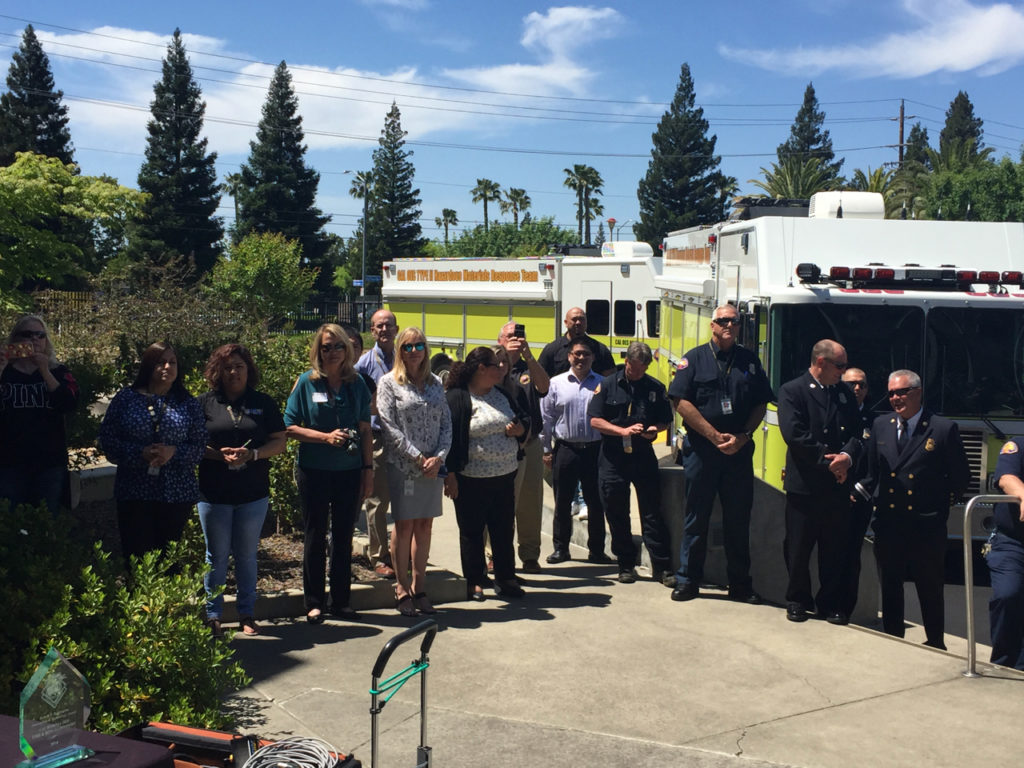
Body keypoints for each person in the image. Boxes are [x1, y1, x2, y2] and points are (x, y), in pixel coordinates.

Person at [854, 370, 969, 650]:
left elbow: (961, 478)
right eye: (891, 393)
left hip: (925, 525)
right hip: (890, 523)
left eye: (902, 392)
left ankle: (935, 642)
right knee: (891, 585)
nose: (895, 398)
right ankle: (894, 640)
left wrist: (937, 506)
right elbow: (872, 473)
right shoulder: (881, 425)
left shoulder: (941, 428)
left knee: (929, 587)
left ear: (918, 392)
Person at [668, 305, 772, 604]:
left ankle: (740, 585)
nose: (729, 325)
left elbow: (760, 403)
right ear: (712, 325)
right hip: (703, 451)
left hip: (738, 453)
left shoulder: (749, 361)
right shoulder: (695, 358)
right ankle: (688, 580)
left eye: (735, 322)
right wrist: (713, 436)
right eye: (724, 321)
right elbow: (681, 402)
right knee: (695, 518)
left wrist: (743, 436)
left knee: (738, 520)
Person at [285, 324, 373, 624]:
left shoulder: (357, 383)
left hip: (349, 472)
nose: (332, 352)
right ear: (317, 351)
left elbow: (364, 430)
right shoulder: (306, 383)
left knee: (343, 535)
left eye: (337, 346)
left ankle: (341, 600)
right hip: (314, 471)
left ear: (346, 350)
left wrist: (368, 470)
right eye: (326, 347)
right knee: (315, 534)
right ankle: (313, 602)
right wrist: (324, 438)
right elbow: (290, 426)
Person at [197, 344, 287, 637]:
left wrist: (254, 455)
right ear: (217, 372)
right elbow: (192, 445)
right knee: (217, 556)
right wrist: (216, 455)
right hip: (214, 494)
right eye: (227, 367)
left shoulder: (264, 402)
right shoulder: (205, 404)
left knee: (247, 555)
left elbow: (280, 442)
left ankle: (247, 614)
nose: (234, 372)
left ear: (249, 370)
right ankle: (213, 616)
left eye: (239, 366)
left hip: (253, 494)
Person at [777, 339, 863, 625]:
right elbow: (795, 434)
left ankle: (831, 603)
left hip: (836, 488)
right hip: (805, 485)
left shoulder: (844, 394)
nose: (844, 371)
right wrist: (829, 464)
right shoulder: (793, 391)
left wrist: (847, 458)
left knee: (834, 549)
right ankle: (798, 599)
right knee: (799, 548)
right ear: (821, 363)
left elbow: (856, 432)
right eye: (840, 365)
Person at [100, 341, 205, 564]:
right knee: (137, 560)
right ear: (149, 366)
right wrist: (140, 453)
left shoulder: (188, 403)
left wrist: (173, 452)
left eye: (172, 362)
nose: (167, 367)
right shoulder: (126, 399)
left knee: (168, 562)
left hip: (177, 493)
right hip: (134, 491)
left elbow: (199, 446)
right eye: (161, 362)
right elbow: (108, 441)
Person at [377, 328, 452, 616]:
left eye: (419, 345)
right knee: (405, 525)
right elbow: (388, 425)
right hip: (404, 467)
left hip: (433, 468)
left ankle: (420, 587)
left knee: (425, 525)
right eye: (407, 346)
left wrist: (439, 457)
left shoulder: (435, 383)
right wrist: (418, 457)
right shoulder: (388, 383)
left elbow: (447, 424)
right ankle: (402, 586)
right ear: (399, 350)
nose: (414, 351)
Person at [444, 346, 529, 601]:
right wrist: (450, 475)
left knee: (503, 529)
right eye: (495, 365)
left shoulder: (501, 394)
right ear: (481, 369)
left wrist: (519, 429)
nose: (501, 369)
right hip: (470, 478)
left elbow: (523, 419)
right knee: (471, 530)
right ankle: (474, 580)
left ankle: (506, 579)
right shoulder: (458, 397)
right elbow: (449, 438)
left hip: (504, 476)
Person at [588, 341, 674, 585]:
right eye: (632, 367)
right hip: (613, 456)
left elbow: (664, 422)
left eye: (641, 369)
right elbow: (594, 420)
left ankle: (662, 566)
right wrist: (620, 430)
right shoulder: (607, 385)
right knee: (617, 511)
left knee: (652, 512)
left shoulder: (655, 388)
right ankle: (625, 564)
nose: (636, 373)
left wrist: (651, 430)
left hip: (642, 455)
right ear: (626, 362)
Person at [0, 314, 78, 515]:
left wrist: (45, 370)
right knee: (11, 523)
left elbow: (69, 403)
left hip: (48, 462)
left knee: (47, 522)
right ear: (15, 339)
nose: (34, 340)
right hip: (9, 462)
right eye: (27, 334)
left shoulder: (58, 371)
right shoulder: (5, 372)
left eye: (40, 335)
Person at [541, 337, 608, 564]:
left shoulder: (602, 384)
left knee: (596, 502)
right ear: (569, 356)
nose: (581, 358)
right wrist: (546, 449)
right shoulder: (555, 384)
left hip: (594, 451)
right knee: (562, 501)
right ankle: (561, 549)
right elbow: (547, 418)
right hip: (565, 450)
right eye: (577, 354)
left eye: (586, 354)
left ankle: (597, 551)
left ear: (593, 358)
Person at [493, 320, 549, 574]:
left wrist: (528, 355)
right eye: (509, 336)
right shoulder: (493, 368)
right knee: (501, 502)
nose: (515, 339)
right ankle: (494, 554)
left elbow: (544, 387)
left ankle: (529, 554)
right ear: (499, 341)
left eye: (519, 335)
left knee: (530, 502)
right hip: (501, 445)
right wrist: (508, 362)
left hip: (531, 443)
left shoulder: (529, 367)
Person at [355, 309, 398, 579]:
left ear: (396, 328)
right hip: (379, 438)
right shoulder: (363, 365)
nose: (384, 330)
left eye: (388, 325)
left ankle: (400, 550)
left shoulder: (407, 358)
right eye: (378, 326)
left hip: (405, 440)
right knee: (378, 500)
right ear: (372, 331)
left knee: (405, 498)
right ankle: (379, 555)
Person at [838, 366, 875, 618]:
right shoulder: (833, 414)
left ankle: (844, 608)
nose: (857, 389)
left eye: (861, 384)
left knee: (851, 556)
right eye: (851, 384)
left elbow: (881, 462)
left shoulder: (877, 422)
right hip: (830, 495)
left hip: (858, 498)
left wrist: (859, 489)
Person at [989, 439, 1024, 669]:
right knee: (1008, 594)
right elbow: (1006, 478)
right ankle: (1003, 664)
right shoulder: (1016, 446)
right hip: (1013, 541)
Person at [538, 307, 616, 378]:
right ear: (566, 323)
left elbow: (611, 379)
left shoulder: (600, 349)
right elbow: (539, 376)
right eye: (574, 319)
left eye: (582, 319)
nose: (578, 322)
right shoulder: (552, 349)